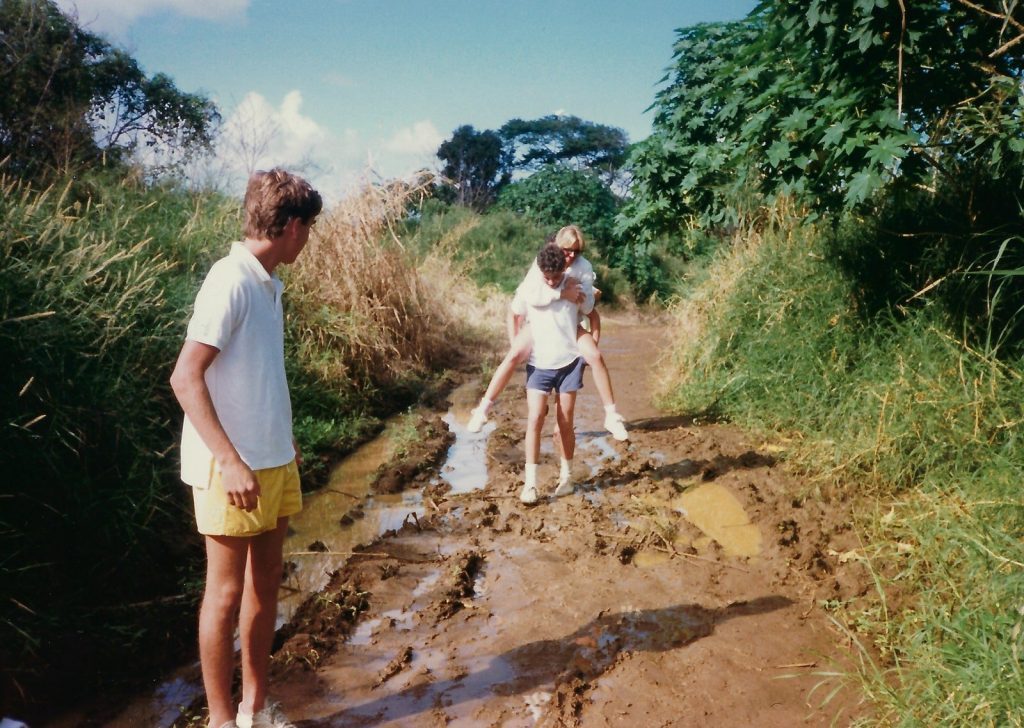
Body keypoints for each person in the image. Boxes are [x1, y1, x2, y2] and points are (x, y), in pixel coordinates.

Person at [170, 168, 322, 728]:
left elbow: (254, 376)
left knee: (265, 586)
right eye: (308, 228)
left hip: (273, 458)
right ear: (290, 226)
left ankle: (254, 710)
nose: (308, 239)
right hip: (229, 468)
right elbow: (186, 378)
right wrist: (231, 460)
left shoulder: (267, 280)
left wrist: (281, 438)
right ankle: (219, 720)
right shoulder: (230, 279)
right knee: (225, 594)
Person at [467, 225, 628, 441]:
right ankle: (483, 409)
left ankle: (611, 415)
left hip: (570, 324)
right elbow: (529, 296)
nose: (571, 255)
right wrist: (562, 292)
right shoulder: (543, 260)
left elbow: (589, 307)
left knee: (595, 356)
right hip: (539, 323)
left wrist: (579, 291)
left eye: (576, 251)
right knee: (514, 355)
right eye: (567, 250)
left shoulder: (584, 267)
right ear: (556, 246)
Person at [515, 242, 586, 504]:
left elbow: (588, 309)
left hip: (568, 361)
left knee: (565, 422)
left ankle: (566, 477)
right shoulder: (533, 287)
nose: (552, 281)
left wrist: (585, 294)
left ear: (563, 270)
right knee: (535, 418)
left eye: (556, 277)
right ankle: (530, 485)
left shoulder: (572, 283)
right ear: (540, 271)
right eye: (547, 276)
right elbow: (520, 306)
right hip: (539, 364)